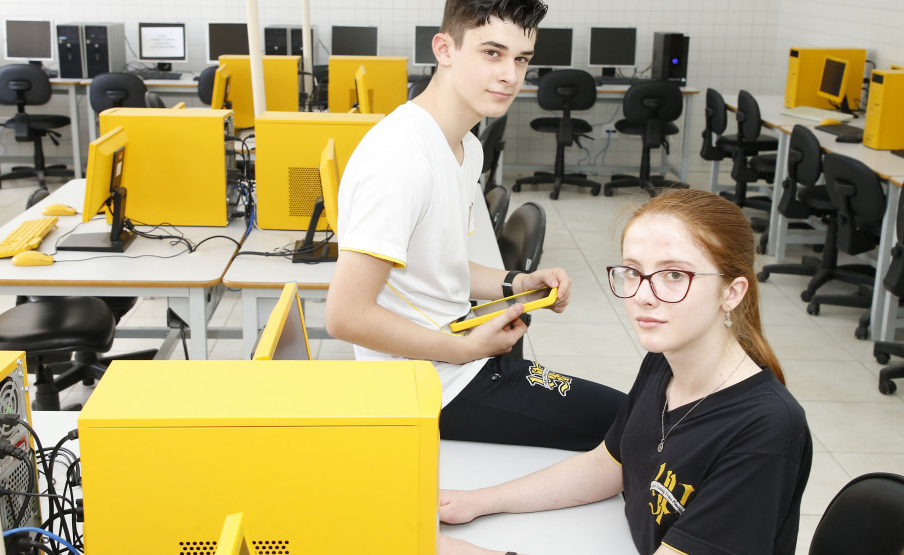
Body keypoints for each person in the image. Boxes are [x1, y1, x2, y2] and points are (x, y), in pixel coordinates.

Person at [438, 189, 813, 555]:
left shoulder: (766, 428)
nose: (643, 295)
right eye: (633, 271)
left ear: (732, 293)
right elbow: (608, 464)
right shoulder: (664, 362)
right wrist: (476, 501)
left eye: (674, 275)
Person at [325, 0, 626, 451]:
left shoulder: (464, 145)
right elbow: (345, 316)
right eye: (492, 53)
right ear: (444, 48)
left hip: (458, 358)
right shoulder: (400, 161)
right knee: (631, 425)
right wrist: (465, 350)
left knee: (630, 415)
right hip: (430, 385)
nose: (510, 75)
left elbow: (438, 265)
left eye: (521, 59)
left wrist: (517, 281)